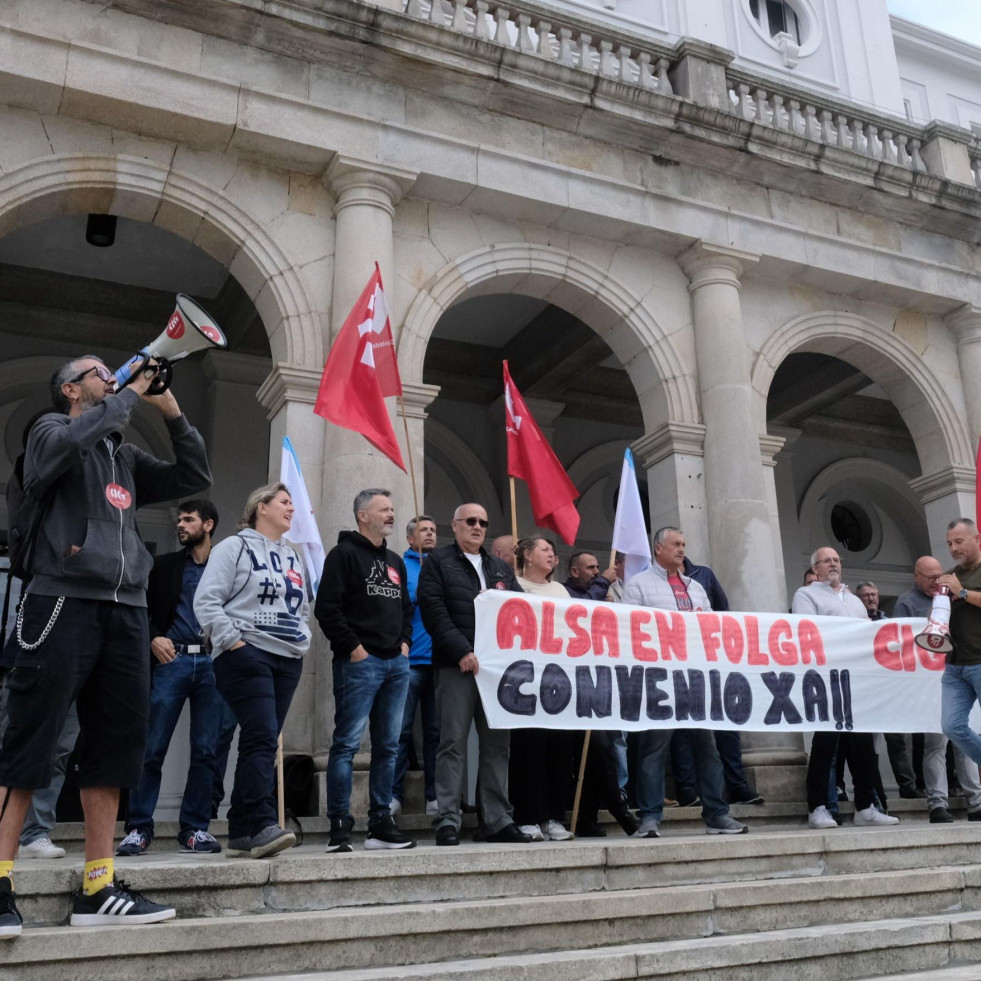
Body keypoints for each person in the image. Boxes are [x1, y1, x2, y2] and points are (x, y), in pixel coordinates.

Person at [0, 354, 210, 936]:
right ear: (70, 389)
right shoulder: (50, 429)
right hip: (62, 599)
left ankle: (98, 886)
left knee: (115, 750)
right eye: (97, 371)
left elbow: (194, 477)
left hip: (128, 610)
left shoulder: (123, 454)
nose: (109, 378)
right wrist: (128, 395)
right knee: (30, 743)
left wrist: (169, 409)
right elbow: (62, 451)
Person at [194, 482, 310, 860]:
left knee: (262, 739)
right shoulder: (233, 547)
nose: (292, 509)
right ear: (261, 506)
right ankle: (260, 821)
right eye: (284, 502)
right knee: (261, 736)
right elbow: (207, 600)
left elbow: (303, 607)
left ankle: (243, 828)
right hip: (247, 653)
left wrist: (302, 638)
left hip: (287, 657)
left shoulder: (293, 556)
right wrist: (233, 642)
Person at [621, 526, 748, 838]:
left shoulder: (696, 587)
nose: (682, 549)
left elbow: (711, 627)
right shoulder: (637, 585)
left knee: (708, 749)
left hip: (697, 679)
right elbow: (630, 629)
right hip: (659, 679)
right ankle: (650, 817)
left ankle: (717, 814)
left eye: (684, 544)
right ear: (658, 549)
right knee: (654, 748)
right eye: (675, 544)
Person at [417, 503, 529, 846]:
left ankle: (496, 819)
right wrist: (461, 650)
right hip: (457, 666)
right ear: (455, 525)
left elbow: (520, 610)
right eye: (470, 521)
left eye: (483, 522)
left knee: (498, 745)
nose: (478, 526)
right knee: (452, 742)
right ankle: (447, 819)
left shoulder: (499, 566)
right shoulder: (438, 561)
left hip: (496, 671)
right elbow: (433, 609)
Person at [117, 500, 225, 856]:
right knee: (152, 747)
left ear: (208, 525)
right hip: (172, 659)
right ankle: (138, 828)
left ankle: (194, 828)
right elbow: (139, 609)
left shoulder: (227, 568)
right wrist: (152, 636)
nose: (181, 524)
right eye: (179, 519)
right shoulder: (162, 566)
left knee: (206, 750)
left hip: (214, 663)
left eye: (188, 519)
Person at [316, 489, 415, 853]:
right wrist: (355, 649)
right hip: (360, 664)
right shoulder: (343, 555)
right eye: (384, 509)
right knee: (345, 745)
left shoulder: (395, 560)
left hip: (395, 665)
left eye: (392, 507)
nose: (391, 514)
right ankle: (340, 826)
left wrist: (404, 645)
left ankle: (379, 823)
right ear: (362, 515)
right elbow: (327, 609)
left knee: (389, 747)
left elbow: (407, 609)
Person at [792, 546, 899, 830]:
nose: (833, 564)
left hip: (857, 678)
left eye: (836, 560)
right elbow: (808, 631)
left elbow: (867, 635)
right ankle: (817, 807)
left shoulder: (854, 600)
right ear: (815, 569)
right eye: (826, 561)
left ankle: (865, 805)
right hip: (827, 678)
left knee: (863, 745)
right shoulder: (806, 595)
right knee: (826, 744)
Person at [893, 554, 981, 823]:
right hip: (924, 681)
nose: (935, 581)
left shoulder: (952, 594)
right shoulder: (906, 603)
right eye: (929, 577)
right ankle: (937, 802)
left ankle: (976, 801)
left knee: (962, 737)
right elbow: (898, 639)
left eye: (938, 575)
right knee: (935, 743)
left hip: (954, 673)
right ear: (916, 577)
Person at [509, 537, 576, 841]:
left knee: (559, 750)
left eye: (553, 551)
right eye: (545, 550)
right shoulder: (512, 585)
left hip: (557, 678)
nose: (552, 555)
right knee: (528, 749)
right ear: (527, 555)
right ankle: (527, 816)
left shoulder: (560, 590)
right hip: (524, 677)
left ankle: (554, 818)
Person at [854, 578, 923, 801]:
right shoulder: (852, 623)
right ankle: (874, 790)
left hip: (887, 689)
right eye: (865, 596)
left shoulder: (889, 624)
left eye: (873, 595)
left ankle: (908, 786)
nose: (870, 599)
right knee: (866, 744)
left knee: (897, 740)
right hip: (864, 690)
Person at [392, 515, 440, 818]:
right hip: (410, 661)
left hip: (441, 662)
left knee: (437, 734)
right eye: (424, 530)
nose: (431, 534)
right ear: (410, 539)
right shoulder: (399, 567)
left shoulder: (445, 566)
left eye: (434, 530)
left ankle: (435, 796)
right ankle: (393, 795)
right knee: (400, 731)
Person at [937, 520, 981, 791]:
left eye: (959, 541)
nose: (953, 548)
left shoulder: (958, 581)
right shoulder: (951, 574)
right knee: (951, 726)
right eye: (949, 543)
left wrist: (961, 592)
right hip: (954, 665)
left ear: (977, 539)